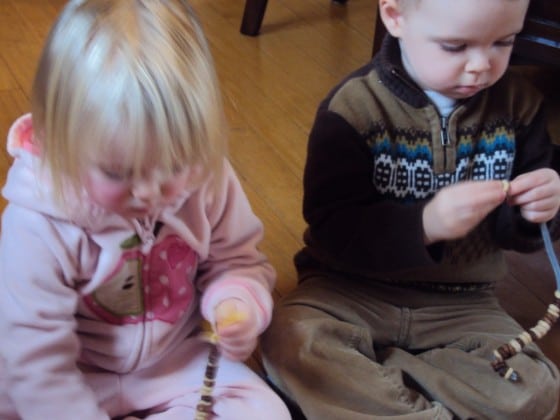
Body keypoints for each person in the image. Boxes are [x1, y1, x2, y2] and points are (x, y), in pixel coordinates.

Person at [260, 0, 560, 418]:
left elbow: (521, 232)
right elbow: (332, 225)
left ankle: (385, 385)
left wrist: (540, 207)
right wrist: (424, 226)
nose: (480, 65)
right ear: (394, 15)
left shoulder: (520, 108)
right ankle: (429, 400)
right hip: (348, 291)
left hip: (464, 304)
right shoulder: (353, 109)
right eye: (455, 46)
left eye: (504, 42)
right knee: (291, 341)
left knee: (536, 386)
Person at [0, 1, 291, 419]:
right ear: (57, 139)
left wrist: (238, 301)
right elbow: (36, 359)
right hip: (70, 373)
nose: (151, 193)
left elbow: (238, 260)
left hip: (175, 362)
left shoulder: (206, 178)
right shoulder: (36, 221)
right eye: (118, 172)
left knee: (266, 412)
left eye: (173, 166)